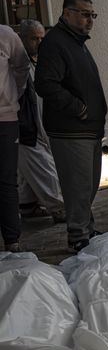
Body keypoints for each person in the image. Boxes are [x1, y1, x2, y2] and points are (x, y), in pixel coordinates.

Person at [35, 0, 106, 252]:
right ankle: (78, 237)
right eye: (85, 14)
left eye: (92, 15)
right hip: (71, 130)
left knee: (88, 185)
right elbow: (45, 84)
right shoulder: (55, 42)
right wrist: (78, 108)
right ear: (67, 13)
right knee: (77, 187)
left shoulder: (76, 42)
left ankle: (86, 228)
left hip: (87, 129)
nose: (90, 20)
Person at [16, 19, 65, 225]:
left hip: (41, 125)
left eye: (41, 38)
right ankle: (60, 208)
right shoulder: (16, 64)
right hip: (26, 128)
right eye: (33, 38)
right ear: (22, 39)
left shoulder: (39, 61)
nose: (38, 42)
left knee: (28, 170)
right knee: (44, 168)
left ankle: (27, 205)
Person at [0, 24, 29, 252]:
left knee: (7, 180)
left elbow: (21, 68)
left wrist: (11, 97)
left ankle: (12, 240)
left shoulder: (6, 35)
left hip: (5, 118)